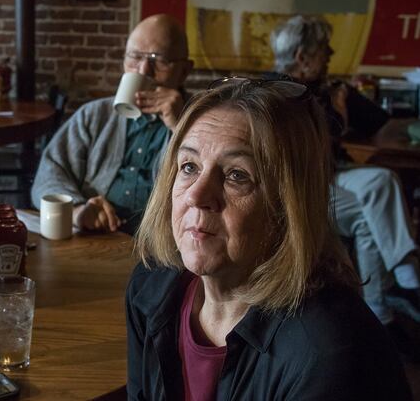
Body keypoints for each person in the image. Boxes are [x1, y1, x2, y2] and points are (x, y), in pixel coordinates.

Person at [127, 78, 411, 400]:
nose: (196, 194)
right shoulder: (150, 288)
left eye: (237, 175)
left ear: (287, 208)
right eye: (189, 166)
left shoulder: (329, 351)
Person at [271, 16, 420, 338]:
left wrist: (346, 101)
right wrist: (338, 113)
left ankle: (381, 315)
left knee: (371, 215)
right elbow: (310, 148)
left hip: (332, 177)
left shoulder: (323, 88)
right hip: (300, 186)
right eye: (325, 48)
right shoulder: (279, 92)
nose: (331, 52)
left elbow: (380, 121)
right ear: (303, 57)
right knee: (381, 183)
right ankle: (408, 283)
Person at [31, 14, 193, 234]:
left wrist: (180, 126)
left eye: (159, 60)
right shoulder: (95, 115)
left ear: (184, 71)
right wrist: (78, 210)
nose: (143, 70)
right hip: (96, 236)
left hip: (164, 243)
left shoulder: (201, 121)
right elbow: (50, 173)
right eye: (135, 57)